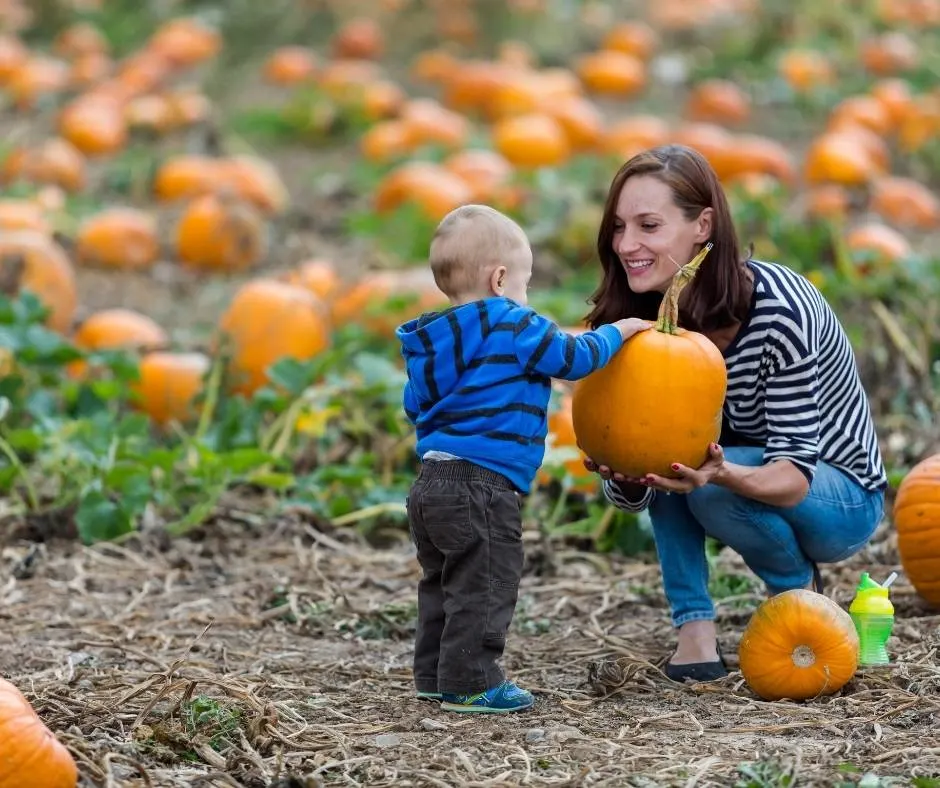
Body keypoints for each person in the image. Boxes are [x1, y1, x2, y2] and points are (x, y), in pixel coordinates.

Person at [582, 145, 887, 683]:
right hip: (728, 474)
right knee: (676, 463)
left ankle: (796, 592)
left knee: (702, 477)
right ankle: (694, 631)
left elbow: (793, 477)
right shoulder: (637, 318)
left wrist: (718, 472)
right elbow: (635, 482)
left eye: (649, 225)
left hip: (835, 495)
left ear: (703, 225)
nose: (627, 245)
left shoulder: (780, 311)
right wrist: (625, 475)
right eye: (618, 227)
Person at [396, 204, 651, 713]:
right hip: (482, 484)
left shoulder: (433, 340)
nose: (526, 297)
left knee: (442, 583)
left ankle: (433, 674)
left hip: (431, 483)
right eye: (525, 285)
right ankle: (471, 682)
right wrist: (619, 332)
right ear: (500, 278)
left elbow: (412, 405)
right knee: (486, 582)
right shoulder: (512, 322)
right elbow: (571, 359)